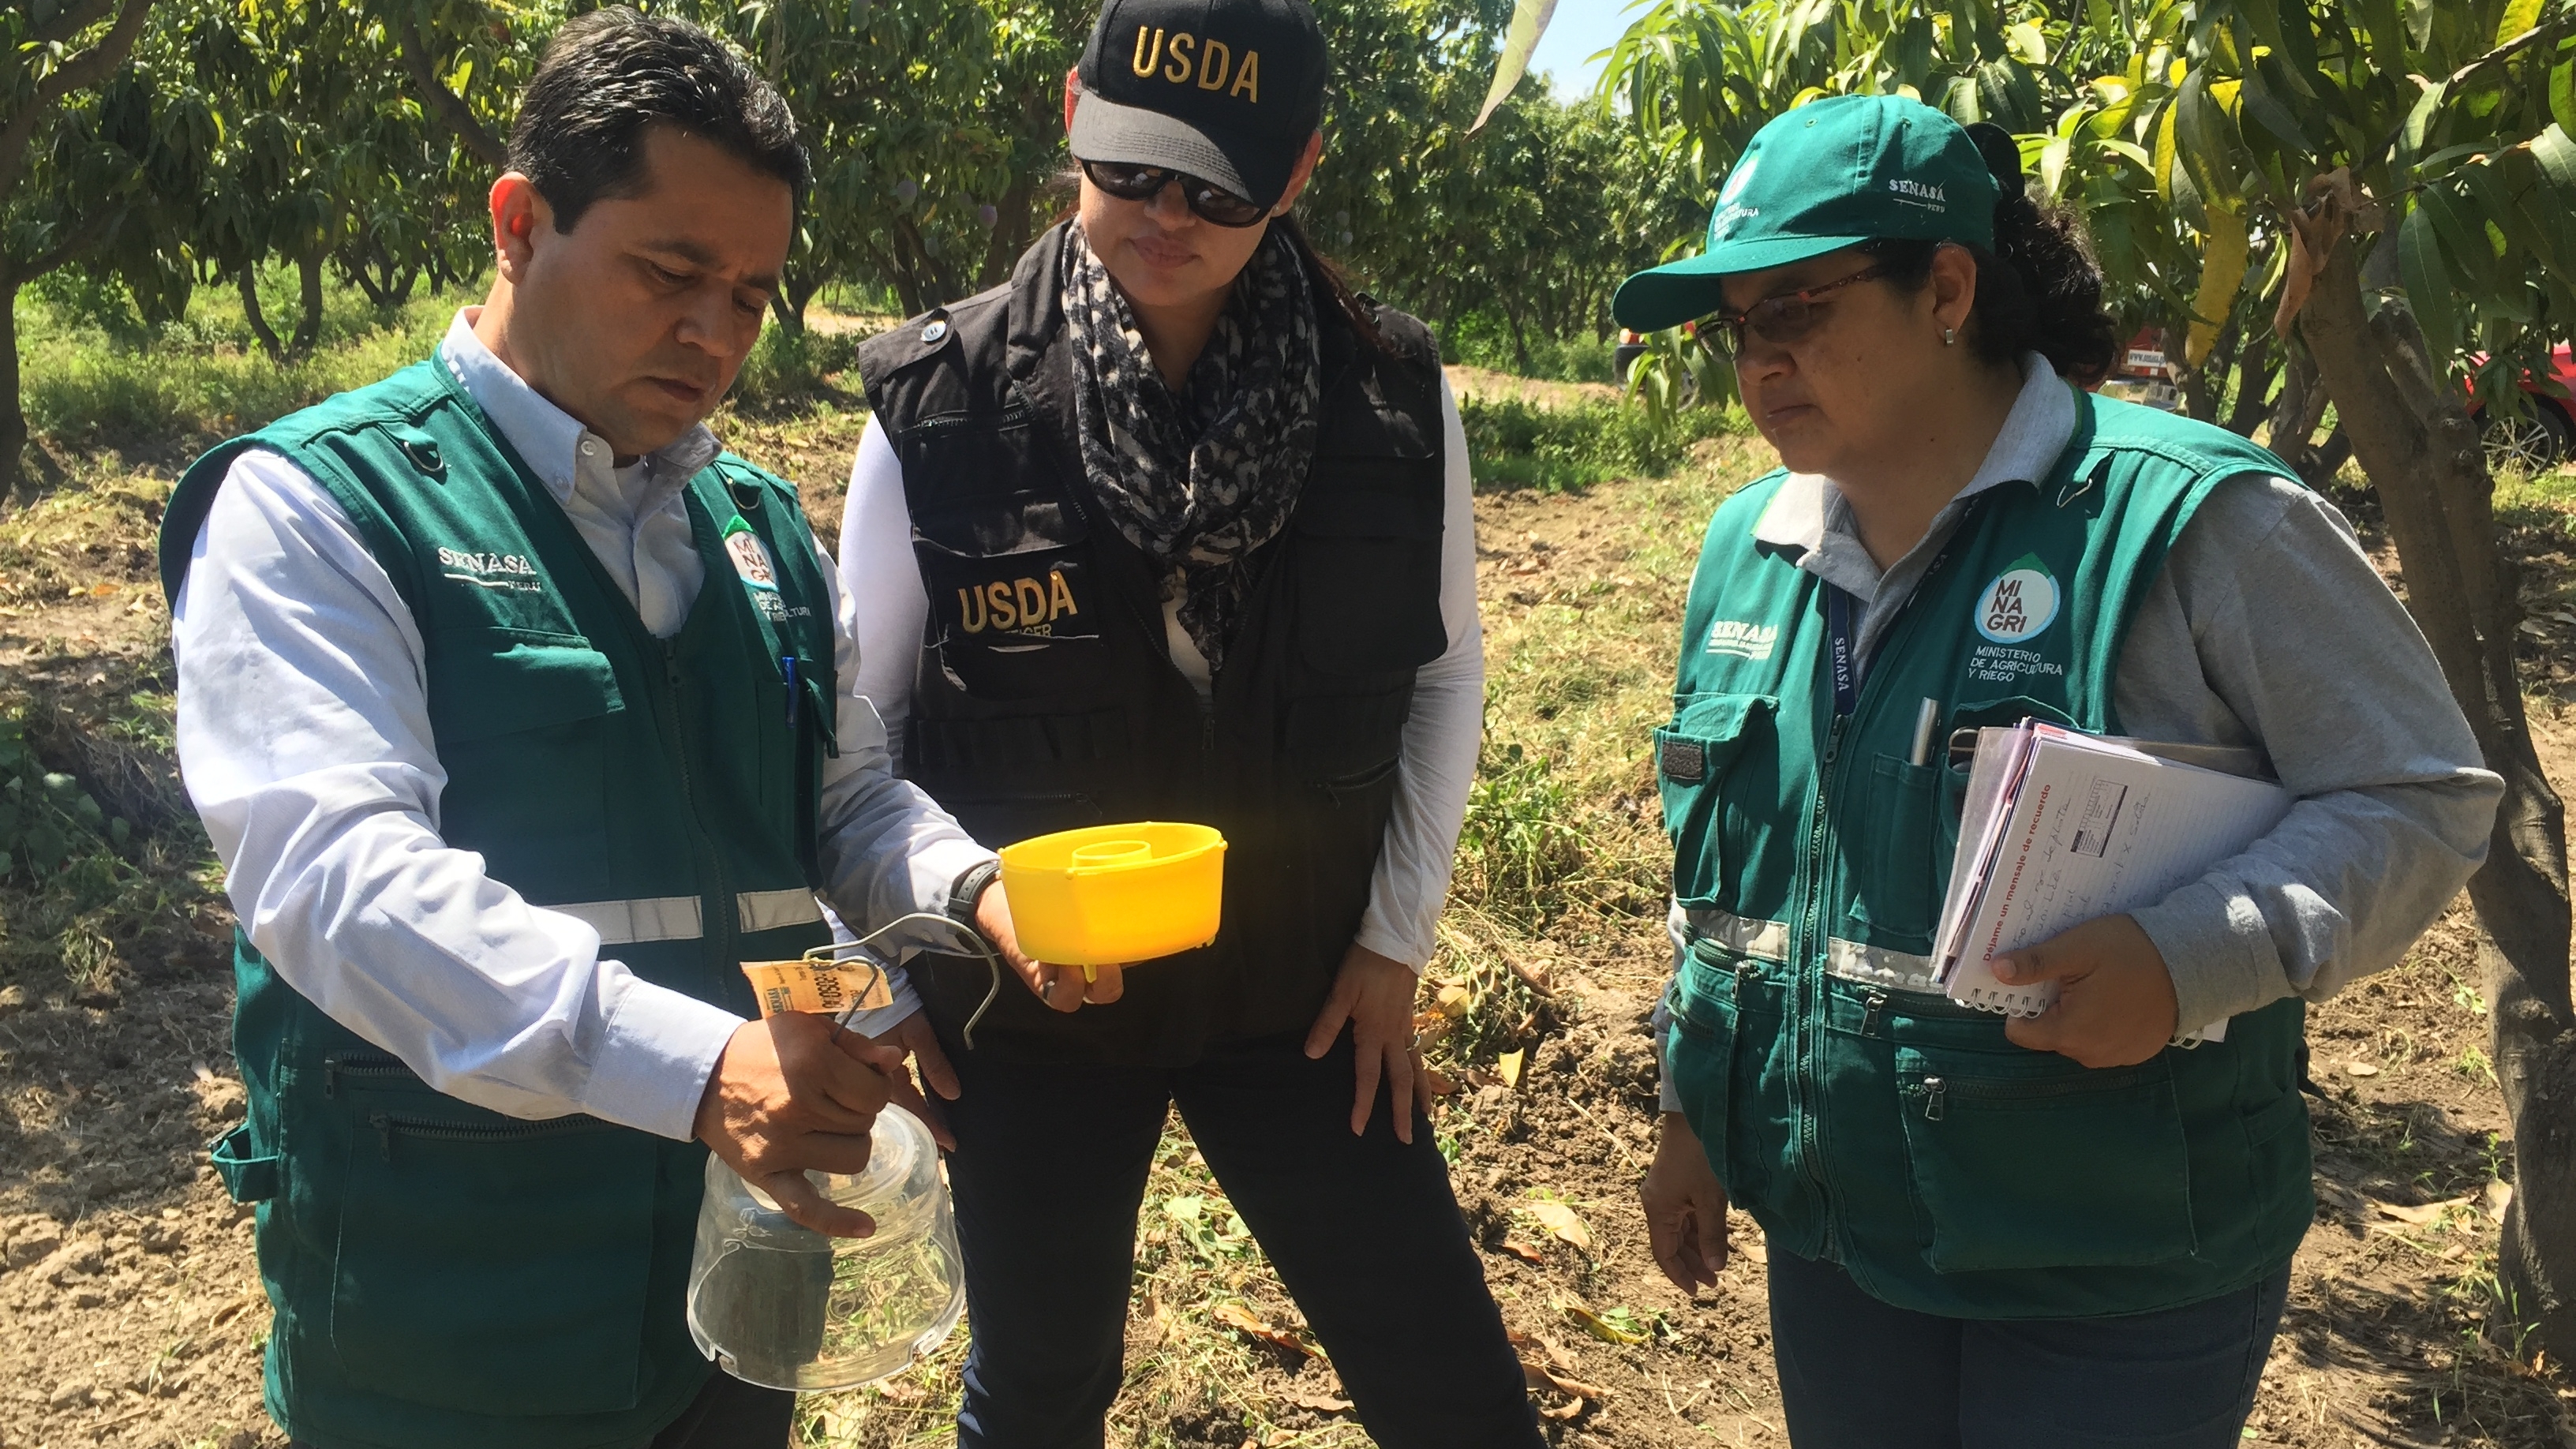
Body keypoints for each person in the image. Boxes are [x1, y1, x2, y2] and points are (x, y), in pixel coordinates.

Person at [159, 13, 996, 1447]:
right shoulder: (325, 510)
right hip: (461, 1314)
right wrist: (699, 1071)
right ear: (519, 224)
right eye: (670, 274)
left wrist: (977, 888)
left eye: (750, 294)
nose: (714, 334)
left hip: (737, 1287)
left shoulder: (763, 534)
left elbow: (844, 807)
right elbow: (339, 882)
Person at [1618, 95, 2503, 1448]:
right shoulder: (1753, 548)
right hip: (1844, 1240)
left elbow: (2423, 796)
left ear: (1949, 290)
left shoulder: (2192, 520)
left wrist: (2190, 955)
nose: (1760, 359)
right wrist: (1694, 1110)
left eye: (1797, 306)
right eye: (1738, 325)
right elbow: (1726, 878)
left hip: (2117, 1261)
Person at [833, 0, 1542, 1442]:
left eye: (1217, 186)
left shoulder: (1392, 396)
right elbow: (866, 723)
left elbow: (1444, 671)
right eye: (1131, 169)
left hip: (1300, 986)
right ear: (1075, 111)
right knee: (1037, 1385)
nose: (1166, 214)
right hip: (1025, 999)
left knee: (1450, 1385)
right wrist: (884, 984)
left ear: (1298, 173)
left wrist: (1397, 939)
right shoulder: (944, 398)